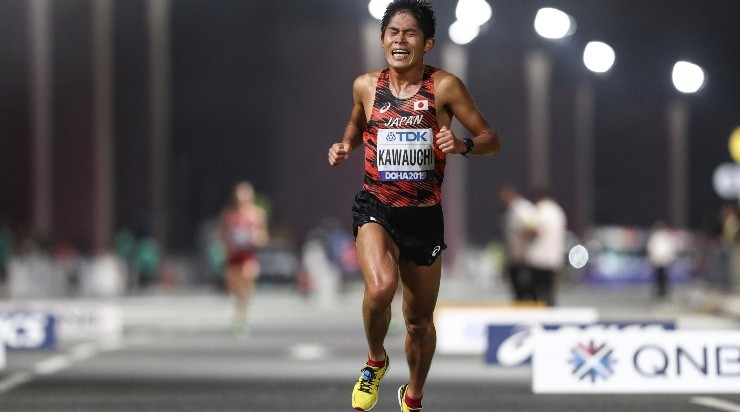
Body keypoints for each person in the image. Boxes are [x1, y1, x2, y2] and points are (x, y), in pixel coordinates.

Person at [327, 1, 501, 410]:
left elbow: (492, 139)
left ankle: (414, 395)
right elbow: (356, 120)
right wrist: (345, 145)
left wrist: (462, 145)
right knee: (381, 287)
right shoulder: (366, 85)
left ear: (428, 42)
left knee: (419, 323)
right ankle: (375, 360)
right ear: (382, 38)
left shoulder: (444, 86)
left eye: (410, 33)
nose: (400, 40)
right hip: (377, 205)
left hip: (424, 214)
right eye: (393, 32)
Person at [219, 181, 269, 337]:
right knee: (235, 289)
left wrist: (256, 238)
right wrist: (227, 243)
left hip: (248, 255)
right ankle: (239, 312)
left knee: (248, 279)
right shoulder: (229, 215)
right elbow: (222, 235)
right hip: (234, 255)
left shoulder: (256, 214)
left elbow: (264, 237)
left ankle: (242, 319)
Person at [524, 189, 566, 307]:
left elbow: (535, 232)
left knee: (535, 292)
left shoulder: (538, 211)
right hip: (554, 259)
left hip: (538, 259)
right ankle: (550, 318)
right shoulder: (558, 212)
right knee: (549, 292)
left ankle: (539, 318)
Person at [499, 185, 537, 303]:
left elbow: (533, 230)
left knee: (527, 291)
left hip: (525, 258)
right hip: (515, 258)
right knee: (517, 292)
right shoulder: (511, 211)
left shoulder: (523, 208)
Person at [646, 220, 677, 299]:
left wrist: (669, 258)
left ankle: (663, 293)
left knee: (664, 278)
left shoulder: (667, 237)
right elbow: (651, 248)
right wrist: (652, 258)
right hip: (657, 261)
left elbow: (670, 248)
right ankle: (658, 293)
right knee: (657, 278)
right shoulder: (655, 236)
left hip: (664, 261)